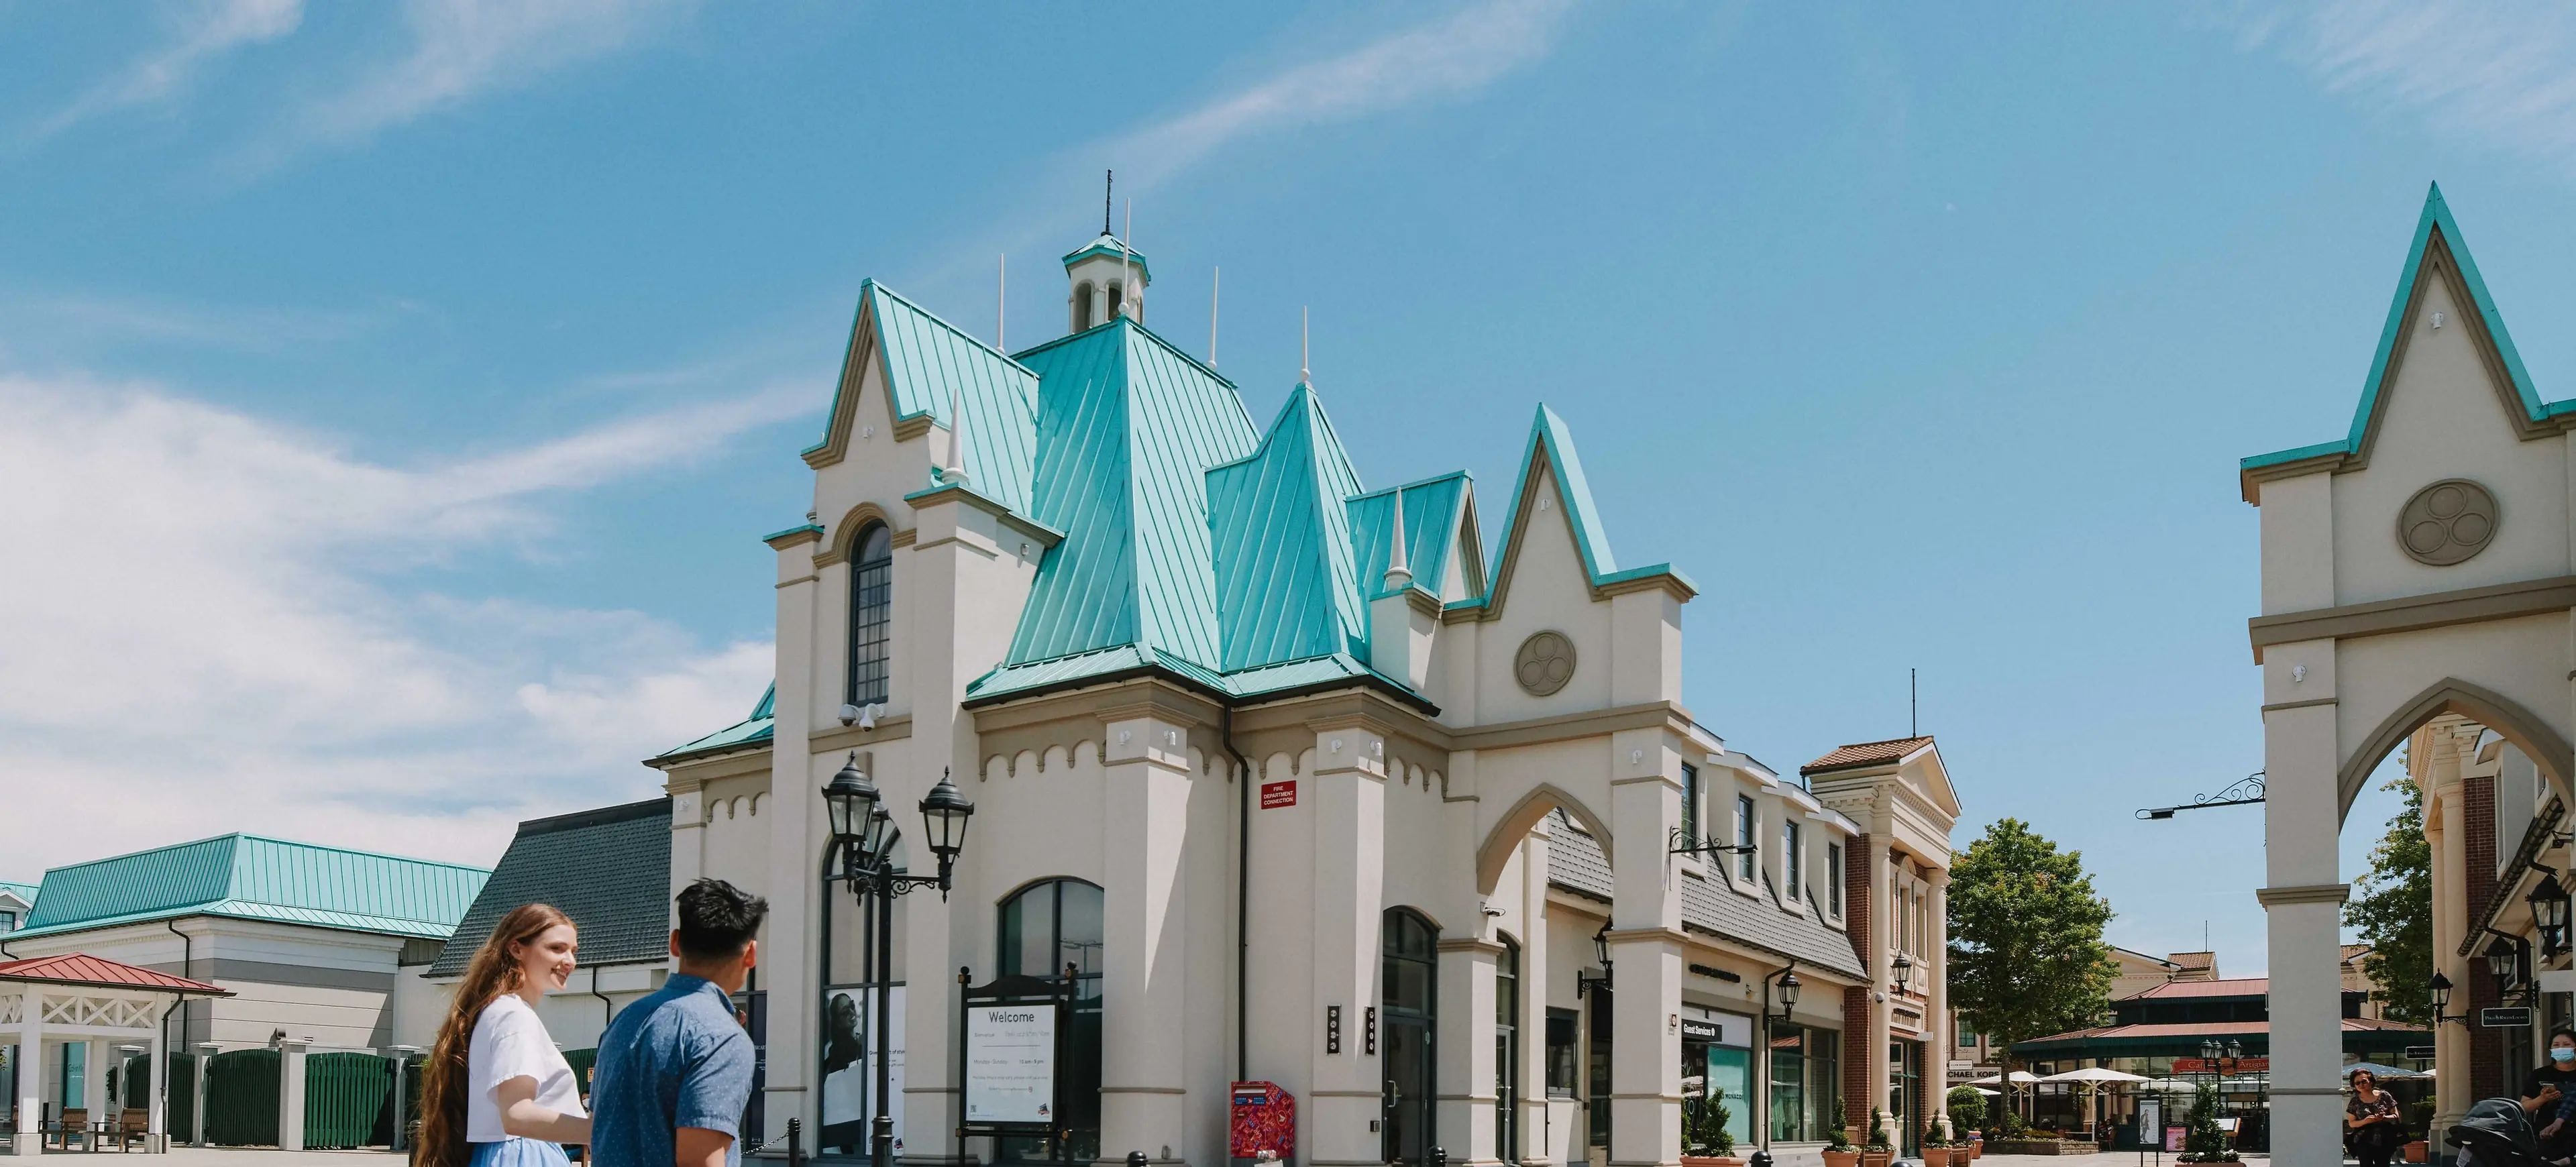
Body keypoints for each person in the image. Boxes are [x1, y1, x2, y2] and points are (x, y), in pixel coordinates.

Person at [590, 878, 769, 1167]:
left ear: (675, 942)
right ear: (750, 954)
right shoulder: (723, 1038)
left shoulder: (625, 1019)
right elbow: (700, 1160)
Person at [417, 904, 593, 1167]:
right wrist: (600, 1130)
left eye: (573, 951)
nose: (570, 961)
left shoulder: (496, 1011)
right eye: (556, 948)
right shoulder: (514, 1016)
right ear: (516, 949)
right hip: (525, 1156)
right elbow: (517, 1115)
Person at [2524, 1030, 2576, 1156]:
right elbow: (2525, 1107)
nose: (2561, 1048)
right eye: (2556, 1045)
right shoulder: (2540, 1074)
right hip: (2546, 1134)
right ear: (2551, 1050)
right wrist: (2543, 1099)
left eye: (2566, 1044)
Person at [2345, 1067, 2404, 1167]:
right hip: (2363, 1139)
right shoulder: (2355, 1101)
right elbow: (2352, 1123)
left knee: (2383, 1164)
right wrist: (2366, 1121)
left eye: (2364, 1081)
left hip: (2385, 1138)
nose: (2361, 1085)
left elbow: (2396, 1116)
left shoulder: (2384, 1095)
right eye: (2357, 1083)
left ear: (2371, 1081)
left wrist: (2384, 1118)